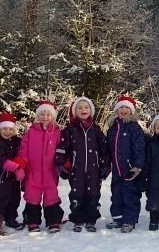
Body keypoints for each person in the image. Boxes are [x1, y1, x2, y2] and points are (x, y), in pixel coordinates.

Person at [55, 97, 110, 232]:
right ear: (75, 112)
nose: (83, 110)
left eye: (86, 107)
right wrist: (61, 165)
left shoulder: (96, 130)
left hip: (94, 170)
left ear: (90, 110)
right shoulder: (69, 130)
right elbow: (62, 149)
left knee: (93, 195)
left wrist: (106, 166)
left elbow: (104, 150)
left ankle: (91, 220)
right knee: (76, 195)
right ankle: (77, 219)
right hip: (76, 170)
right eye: (79, 108)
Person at [19, 101, 64, 232]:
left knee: (51, 197)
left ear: (53, 117)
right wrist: (21, 165)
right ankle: (32, 221)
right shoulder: (31, 132)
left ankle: (53, 221)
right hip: (33, 172)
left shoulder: (57, 132)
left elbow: (61, 150)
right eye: (42, 114)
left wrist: (62, 164)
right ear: (37, 116)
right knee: (32, 197)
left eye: (48, 114)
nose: (45, 117)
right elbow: (23, 151)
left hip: (50, 172)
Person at [105, 95, 146, 230]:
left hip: (130, 170)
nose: (123, 110)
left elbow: (140, 148)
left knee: (130, 195)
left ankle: (129, 220)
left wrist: (138, 166)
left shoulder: (134, 128)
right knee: (116, 194)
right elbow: (108, 148)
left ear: (131, 111)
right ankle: (117, 218)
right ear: (116, 111)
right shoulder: (112, 128)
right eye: (121, 107)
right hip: (117, 169)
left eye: (126, 108)